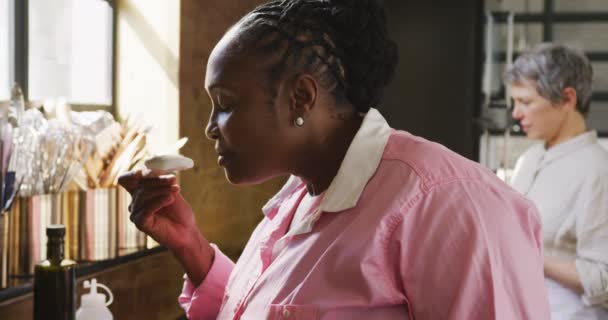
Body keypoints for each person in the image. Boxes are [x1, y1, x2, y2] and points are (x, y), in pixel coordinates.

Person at [118, 1, 549, 319]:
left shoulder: (450, 205)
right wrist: (191, 248)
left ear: (300, 97)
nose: (212, 127)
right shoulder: (297, 199)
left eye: (226, 104)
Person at [506, 43, 608, 319]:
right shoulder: (529, 159)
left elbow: (603, 278)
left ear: (567, 99)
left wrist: (529, 256)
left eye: (525, 102)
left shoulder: (598, 170)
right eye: (514, 102)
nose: (515, 114)